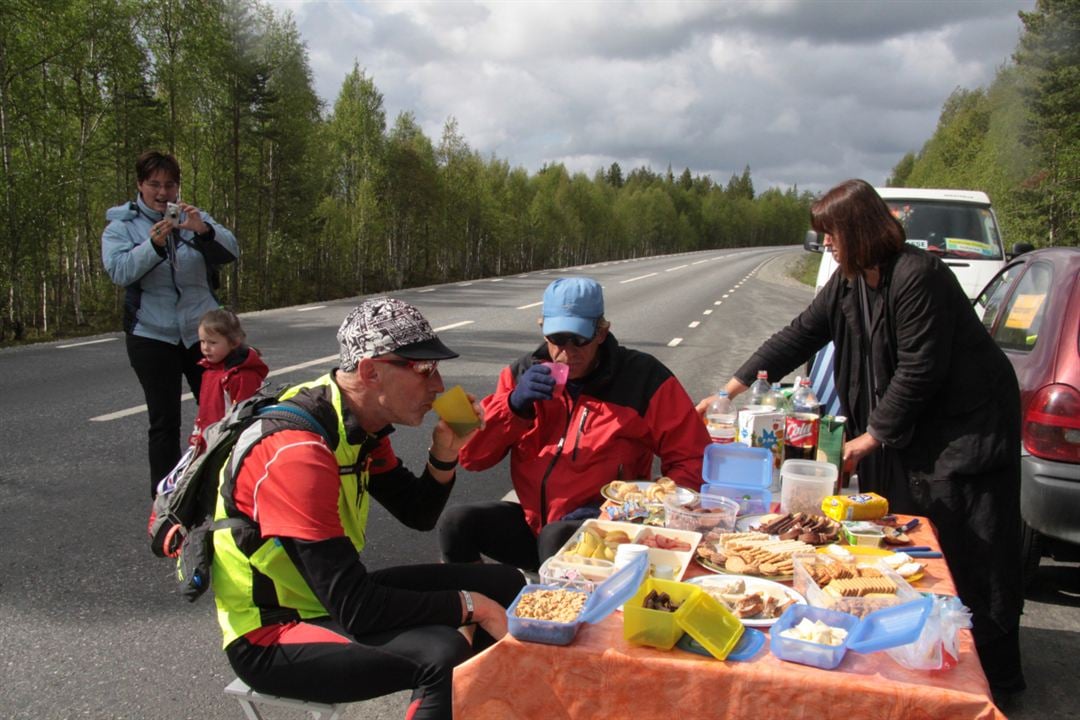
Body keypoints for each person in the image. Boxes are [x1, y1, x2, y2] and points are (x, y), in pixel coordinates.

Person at [696, 179, 1024, 698]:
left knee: (968, 551)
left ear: (860, 230)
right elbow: (798, 334)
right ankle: (909, 656)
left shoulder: (920, 276)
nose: (825, 243)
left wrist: (869, 438)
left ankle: (989, 681)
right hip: (908, 434)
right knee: (900, 550)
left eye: (831, 233)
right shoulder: (849, 282)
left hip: (964, 435)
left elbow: (918, 370)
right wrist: (729, 391)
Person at [210, 297, 525, 719]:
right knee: (442, 652)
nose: (438, 386)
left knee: (504, 582)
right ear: (370, 371)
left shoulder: (357, 424)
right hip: (272, 632)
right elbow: (356, 607)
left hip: (324, 597)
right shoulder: (297, 451)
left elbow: (417, 514)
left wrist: (444, 453)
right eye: (422, 369)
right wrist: (472, 606)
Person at [439, 277, 710, 570]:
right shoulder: (521, 374)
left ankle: (557, 611)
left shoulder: (643, 378)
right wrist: (514, 406)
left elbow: (692, 458)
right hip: (535, 524)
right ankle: (479, 608)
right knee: (456, 523)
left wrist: (634, 511)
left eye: (579, 339)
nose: (567, 352)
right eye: (557, 339)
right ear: (543, 331)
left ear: (602, 332)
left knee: (555, 539)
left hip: (608, 528)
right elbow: (471, 457)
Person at [101, 150, 239, 498]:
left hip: (202, 333)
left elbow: (232, 251)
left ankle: (226, 488)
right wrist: (153, 244)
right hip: (151, 333)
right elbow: (119, 272)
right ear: (139, 185)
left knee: (222, 414)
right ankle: (168, 502)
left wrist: (203, 230)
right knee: (164, 422)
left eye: (170, 185)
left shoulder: (194, 217)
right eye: (154, 185)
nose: (163, 193)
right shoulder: (121, 227)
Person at [189, 308, 268, 450]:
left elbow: (245, 418)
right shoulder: (212, 369)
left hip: (227, 444)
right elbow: (206, 411)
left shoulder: (241, 376)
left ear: (234, 342)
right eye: (202, 341)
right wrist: (198, 434)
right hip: (210, 440)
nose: (205, 348)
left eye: (213, 343)